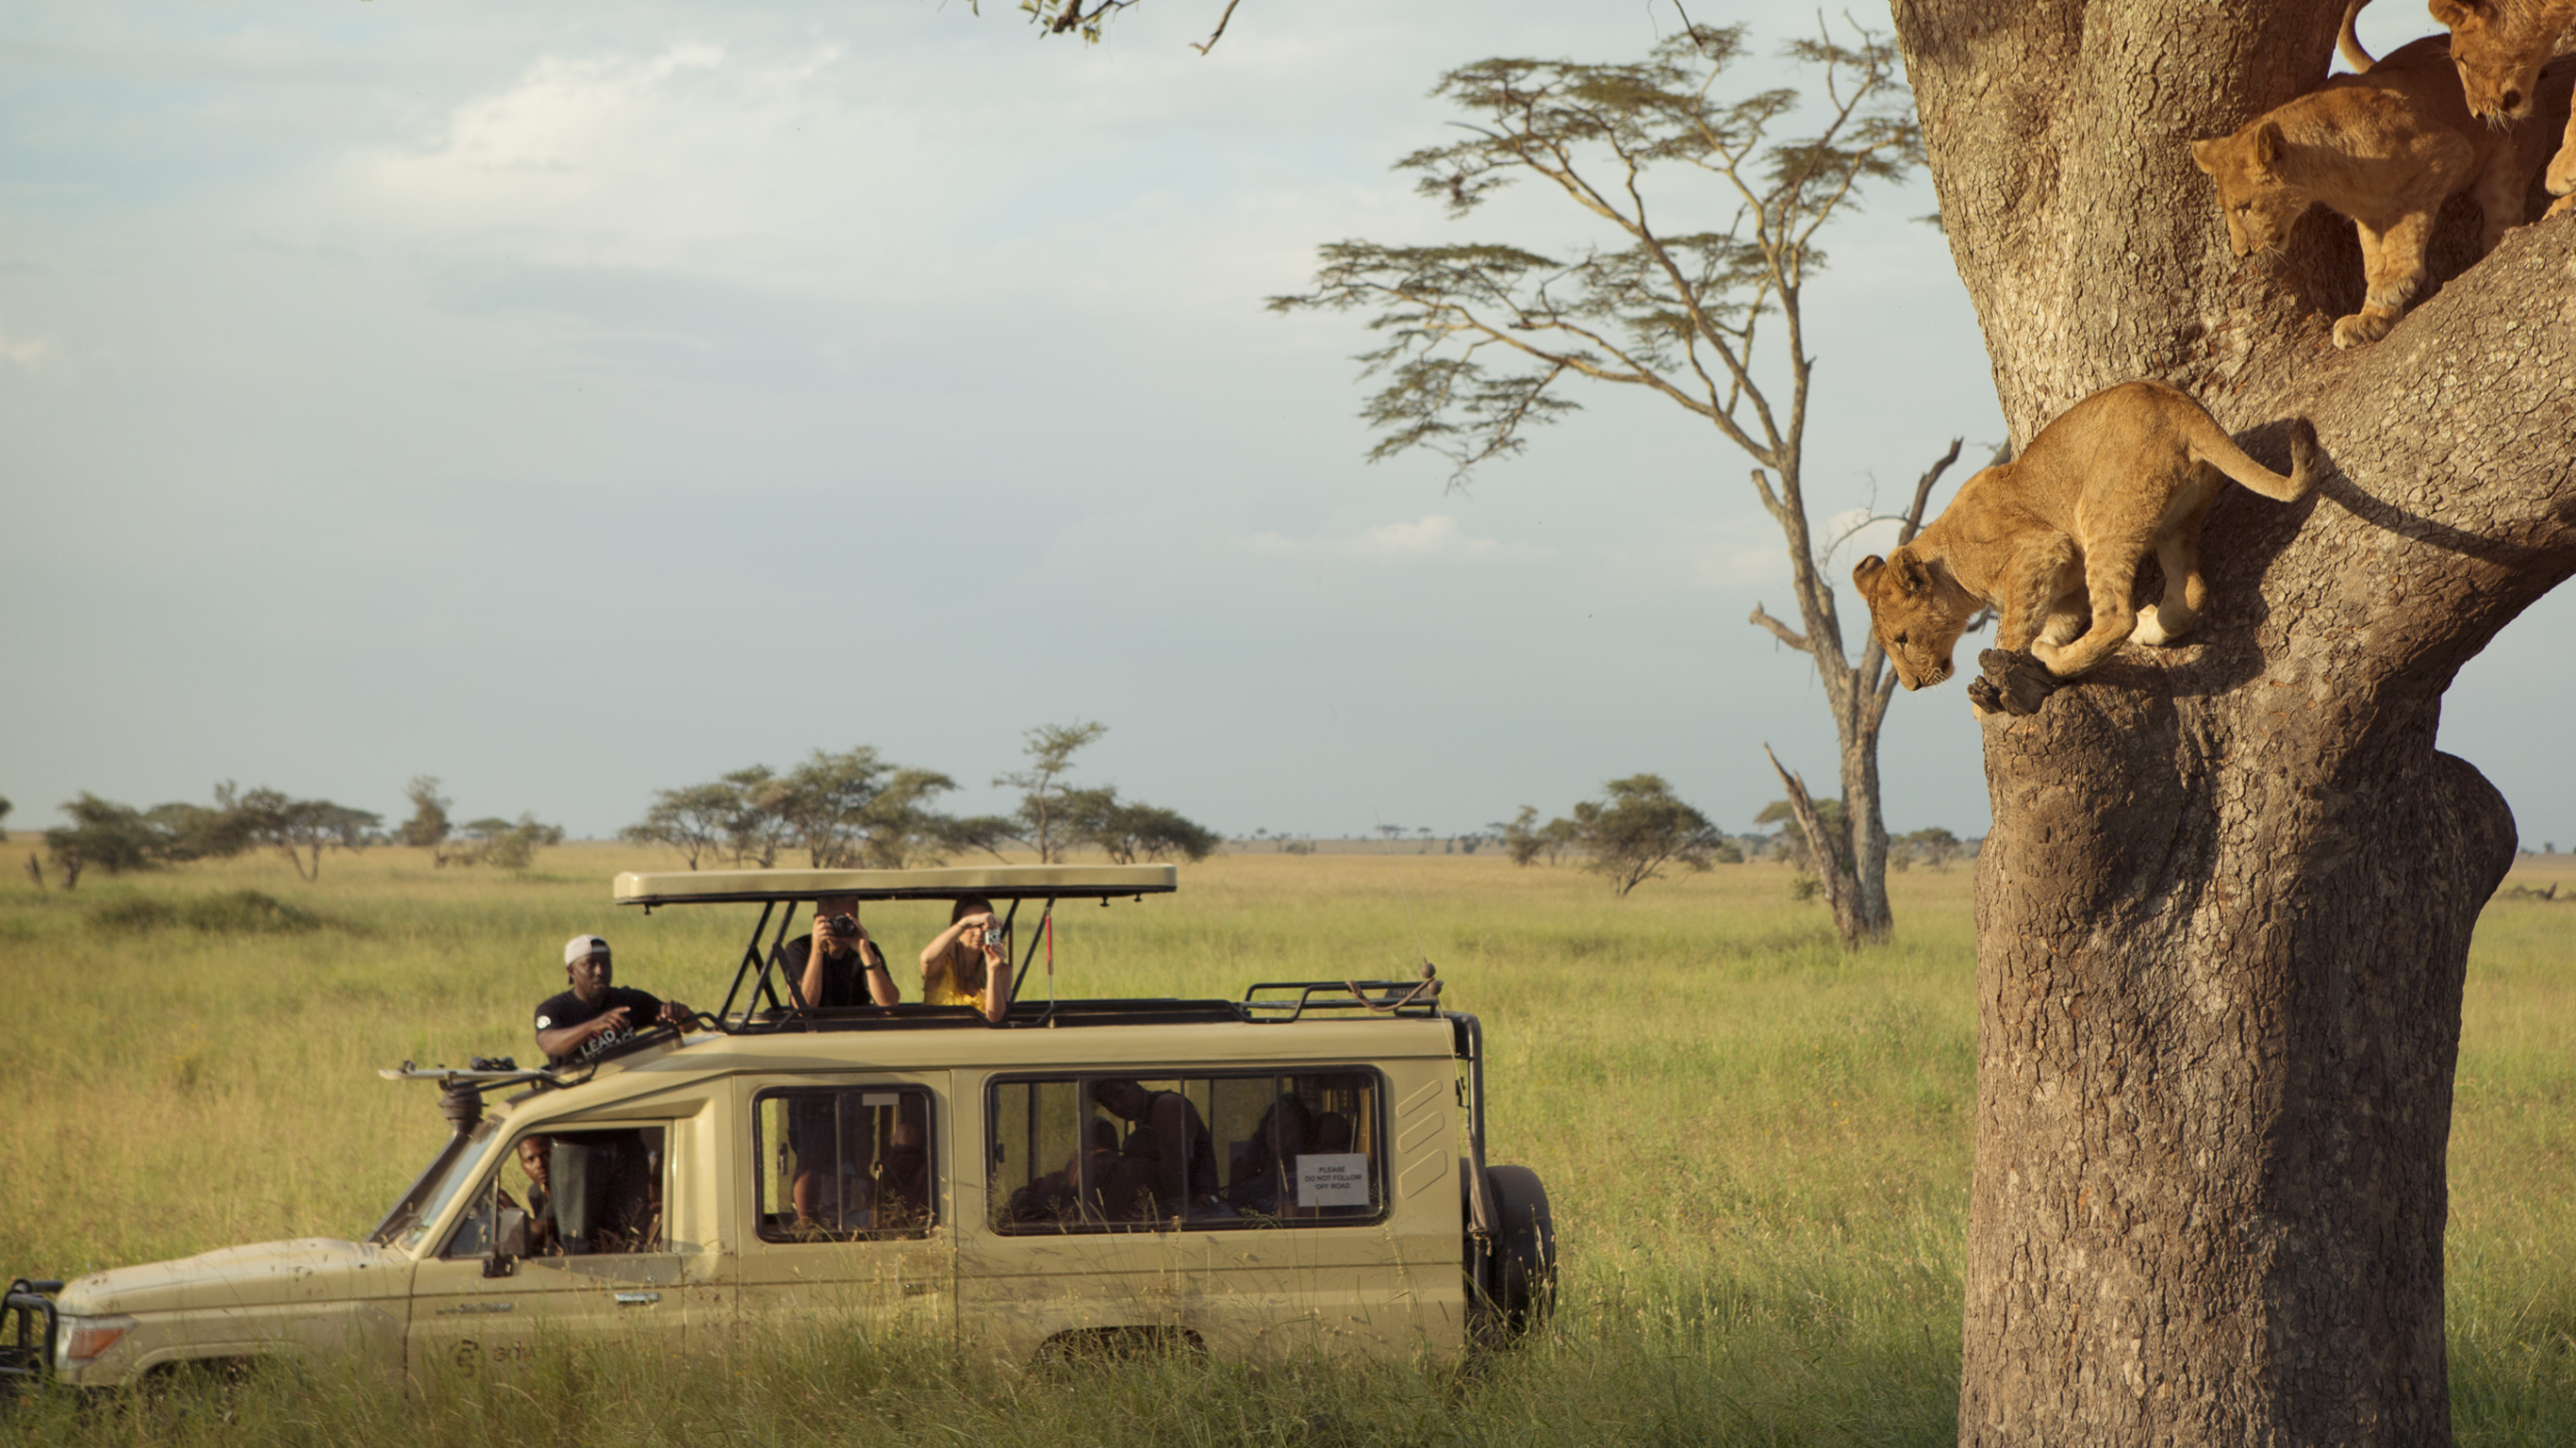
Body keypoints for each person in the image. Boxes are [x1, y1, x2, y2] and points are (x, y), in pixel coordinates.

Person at [533, 934, 695, 1069]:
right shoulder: (553, 1009)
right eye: (590, 964)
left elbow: (688, 1026)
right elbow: (549, 1043)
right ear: (571, 970)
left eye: (605, 962)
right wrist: (593, 1026)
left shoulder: (628, 1000)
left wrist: (680, 1013)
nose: (600, 971)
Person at [1089, 1079, 1222, 1219]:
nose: (1116, 1107)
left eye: (1118, 1094)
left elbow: (1176, 1182)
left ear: (1132, 1081)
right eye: (1108, 1105)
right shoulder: (1142, 1115)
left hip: (1199, 1213)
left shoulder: (1166, 1106)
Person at [777, 895, 900, 1010]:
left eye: (850, 919)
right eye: (837, 919)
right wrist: (817, 951)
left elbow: (889, 1006)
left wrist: (866, 954)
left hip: (858, 1028)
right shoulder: (799, 949)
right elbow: (805, 1008)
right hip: (814, 1029)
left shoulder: (866, 950)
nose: (843, 925)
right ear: (818, 920)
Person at [918, 897, 1013, 1024]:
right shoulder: (942, 965)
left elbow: (995, 1018)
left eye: (984, 926)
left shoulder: (1002, 971)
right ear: (956, 929)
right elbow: (926, 959)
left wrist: (992, 970)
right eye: (971, 926)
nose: (979, 932)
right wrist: (965, 922)